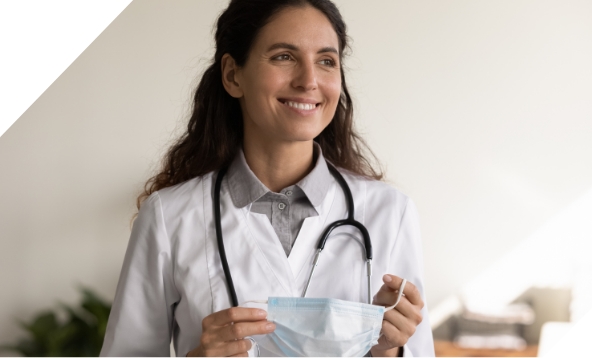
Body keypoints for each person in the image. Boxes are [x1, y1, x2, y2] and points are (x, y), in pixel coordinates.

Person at [100, 0, 434, 356]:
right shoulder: (169, 216)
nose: (309, 81)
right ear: (232, 75)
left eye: (326, 61)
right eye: (284, 57)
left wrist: (386, 349)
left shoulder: (390, 213)